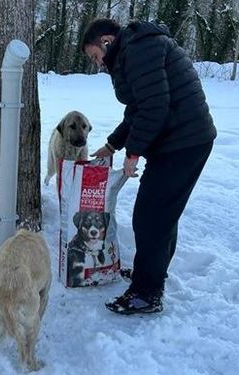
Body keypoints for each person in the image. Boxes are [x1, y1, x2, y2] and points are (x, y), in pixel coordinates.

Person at [81, 18, 217, 314]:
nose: (98, 64)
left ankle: (146, 293)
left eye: (95, 56)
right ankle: (150, 275)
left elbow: (155, 106)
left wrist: (133, 154)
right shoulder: (135, 48)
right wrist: (113, 144)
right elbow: (138, 109)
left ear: (106, 41)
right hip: (183, 139)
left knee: (151, 216)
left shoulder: (138, 49)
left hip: (183, 142)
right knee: (162, 215)